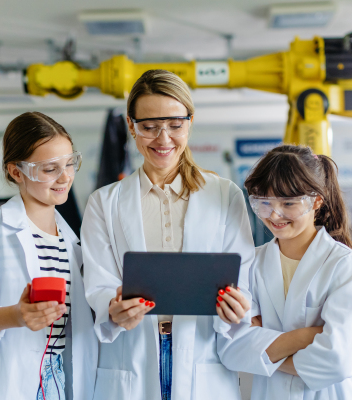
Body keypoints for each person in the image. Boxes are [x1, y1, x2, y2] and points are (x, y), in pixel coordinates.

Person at [81, 70, 255, 400]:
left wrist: (238, 307)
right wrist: (112, 308)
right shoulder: (104, 203)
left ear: (190, 122)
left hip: (202, 353)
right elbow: (99, 284)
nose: (163, 139)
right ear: (131, 126)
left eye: (175, 125)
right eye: (149, 127)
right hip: (131, 354)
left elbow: (242, 279)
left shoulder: (224, 195)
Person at [0, 112, 97, 400]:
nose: (64, 177)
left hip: (57, 377)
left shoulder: (73, 241)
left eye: (69, 163)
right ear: (16, 172)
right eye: (50, 169)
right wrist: (16, 315)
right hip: (4, 378)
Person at [218, 144, 352, 399]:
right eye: (264, 202)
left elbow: (337, 359)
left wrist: (265, 352)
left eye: (288, 203)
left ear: (317, 201)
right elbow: (232, 349)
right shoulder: (250, 264)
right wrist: (307, 336)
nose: (275, 214)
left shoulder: (341, 264)